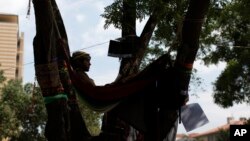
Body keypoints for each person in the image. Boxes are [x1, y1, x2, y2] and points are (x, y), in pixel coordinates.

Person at [68, 51, 95, 141]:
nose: (90, 64)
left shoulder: (80, 74)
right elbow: (93, 86)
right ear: (80, 62)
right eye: (87, 61)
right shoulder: (79, 75)